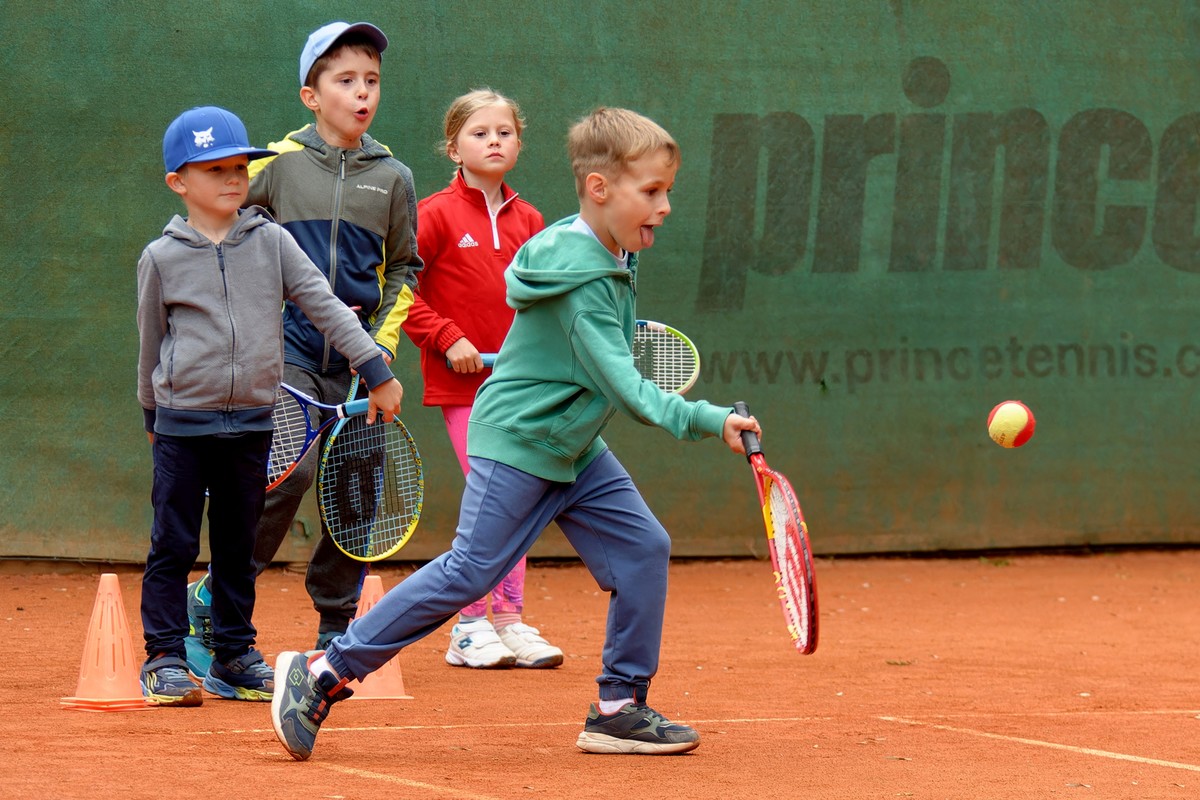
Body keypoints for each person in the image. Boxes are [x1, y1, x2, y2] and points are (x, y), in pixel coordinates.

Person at [270, 106, 761, 757]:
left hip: (576, 445)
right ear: (599, 189)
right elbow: (632, 394)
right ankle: (324, 672)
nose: (665, 205)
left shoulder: (608, 248)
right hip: (521, 445)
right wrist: (711, 419)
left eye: (667, 189)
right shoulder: (583, 280)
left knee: (643, 547)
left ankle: (618, 706)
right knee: (469, 573)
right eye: (652, 191)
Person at [137, 106, 403, 706]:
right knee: (173, 542)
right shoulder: (161, 257)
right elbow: (151, 344)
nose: (233, 178)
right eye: (215, 170)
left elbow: (326, 305)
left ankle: (233, 655)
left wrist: (375, 367)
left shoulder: (271, 241)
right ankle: (164, 657)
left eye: (240, 167)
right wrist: (152, 415)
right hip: (183, 423)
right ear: (178, 182)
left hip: (253, 420)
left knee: (237, 543)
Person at [182, 20, 422, 679]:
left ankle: (336, 630)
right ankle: (216, 595)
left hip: (360, 358)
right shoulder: (277, 165)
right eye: (345, 80)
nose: (361, 92)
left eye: (371, 80)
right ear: (311, 96)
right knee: (288, 470)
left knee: (357, 490)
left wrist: (382, 348)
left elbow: (405, 268)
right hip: (283, 345)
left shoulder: (393, 177)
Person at [401, 89, 562, 670]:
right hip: (464, 386)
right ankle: (467, 627)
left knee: (518, 499)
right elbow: (398, 293)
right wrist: (448, 338)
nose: (494, 141)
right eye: (479, 133)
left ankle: (508, 620)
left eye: (504, 132)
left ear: (519, 141)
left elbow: (542, 303)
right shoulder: (433, 215)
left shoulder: (532, 220)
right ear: (454, 147)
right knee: (494, 497)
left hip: (519, 386)